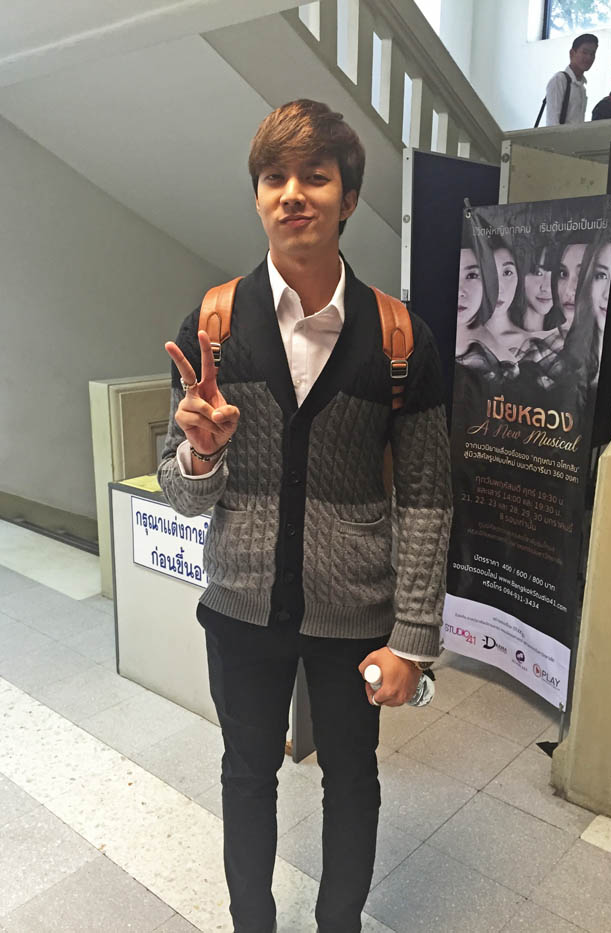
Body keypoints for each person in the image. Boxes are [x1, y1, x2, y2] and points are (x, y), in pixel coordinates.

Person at [157, 99, 452, 933]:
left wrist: (414, 639)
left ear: (347, 197)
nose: (293, 193)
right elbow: (181, 494)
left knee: (351, 780)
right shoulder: (213, 328)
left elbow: (428, 495)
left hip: (354, 615)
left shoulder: (400, 339)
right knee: (246, 774)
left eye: (315, 177)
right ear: (257, 195)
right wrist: (201, 455)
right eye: (274, 177)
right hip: (241, 607)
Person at [544, 33, 598, 126]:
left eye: (592, 54)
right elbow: (552, 124)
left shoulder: (582, 87)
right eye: (585, 52)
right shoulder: (559, 80)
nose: (589, 57)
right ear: (572, 53)